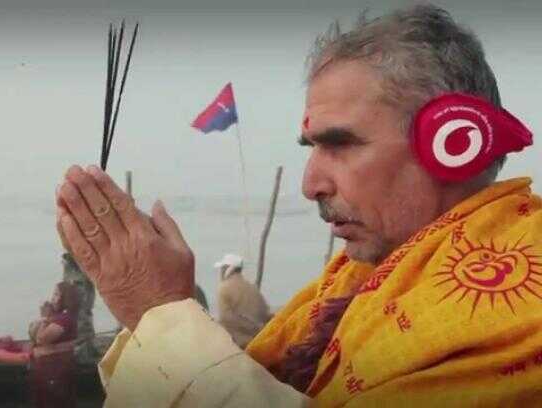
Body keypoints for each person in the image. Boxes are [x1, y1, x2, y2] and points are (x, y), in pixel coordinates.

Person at [55, 4, 542, 407]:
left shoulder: (522, 306)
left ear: (455, 142)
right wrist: (151, 320)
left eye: (340, 144)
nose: (310, 185)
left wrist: (161, 313)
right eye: (311, 148)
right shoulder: (355, 280)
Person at [30, 281, 79, 408]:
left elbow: (41, 339)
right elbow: (33, 334)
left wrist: (45, 319)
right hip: (49, 371)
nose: (53, 298)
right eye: (53, 294)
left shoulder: (64, 319)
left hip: (55, 371)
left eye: (56, 294)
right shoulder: (58, 317)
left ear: (65, 298)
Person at [215, 253, 272, 348]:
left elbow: (225, 318)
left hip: (237, 345)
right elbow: (266, 314)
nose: (221, 272)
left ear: (228, 269)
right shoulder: (253, 289)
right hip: (258, 343)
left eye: (222, 268)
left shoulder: (224, 288)